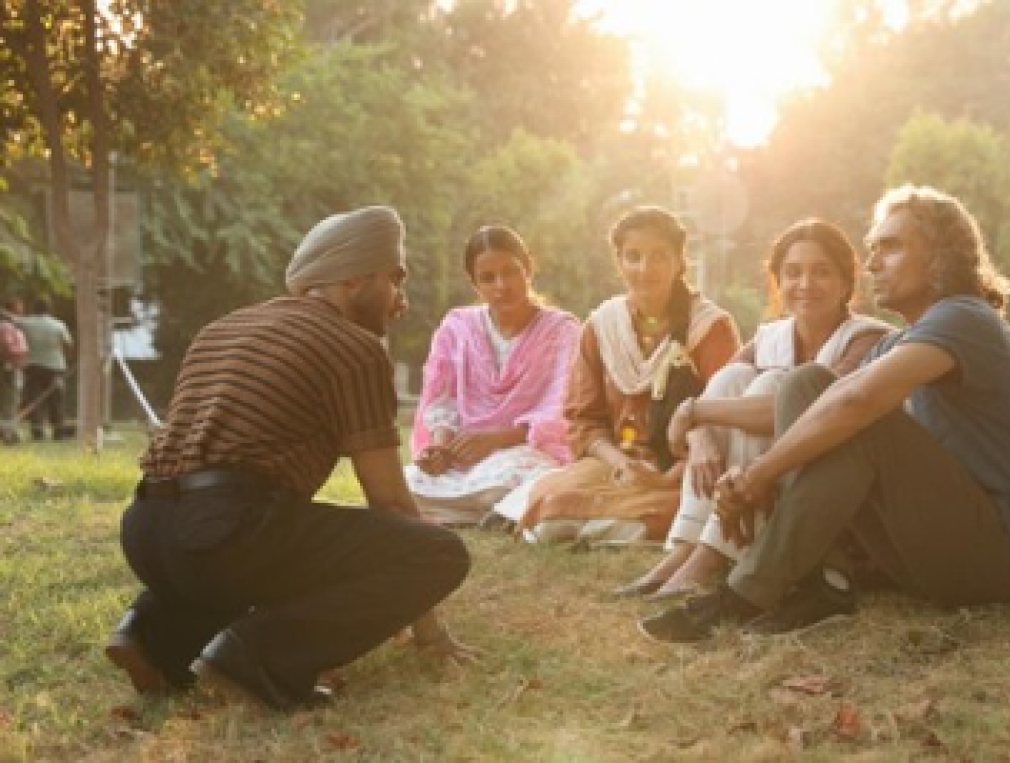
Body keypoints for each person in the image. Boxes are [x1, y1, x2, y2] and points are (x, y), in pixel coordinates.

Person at [640, 185, 1010, 643]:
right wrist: (710, 430)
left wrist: (757, 475)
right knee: (805, 384)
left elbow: (856, 404)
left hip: (1000, 560)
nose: (873, 263)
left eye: (892, 246)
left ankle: (744, 594)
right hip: (930, 550)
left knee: (858, 415)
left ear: (940, 256)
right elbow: (822, 404)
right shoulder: (901, 341)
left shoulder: (965, 318)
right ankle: (827, 581)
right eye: (873, 248)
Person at [105, 206, 472, 711]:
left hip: (145, 530)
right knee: (438, 551)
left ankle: (155, 634)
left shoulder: (223, 328)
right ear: (354, 279)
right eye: (395, 279)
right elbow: (389, 501)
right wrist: (427, 624)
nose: (401, 301)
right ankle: (260, 658)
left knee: (264, 551)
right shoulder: (354, 348)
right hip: (224, 535)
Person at [615, 219, 891, 599]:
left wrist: (694, 413)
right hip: (762, 485)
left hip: (829, 491)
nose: (805, 283)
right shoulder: (771, 336)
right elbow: (714, 396)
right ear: (777, 282)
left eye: (821, 272)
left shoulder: (867, 338)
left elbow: (806, 413)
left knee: (771, 384)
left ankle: (712, 555)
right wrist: (701, 437)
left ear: (846, 283)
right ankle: (687, 549)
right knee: (734, 378)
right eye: (792, 273)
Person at [516, 206, 740, 545]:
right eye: (633, 257)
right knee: (550, 502)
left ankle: (616, 526)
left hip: (683, 470)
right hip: (616, 466)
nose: (645, 269)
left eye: (659, 256)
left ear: (679, 262)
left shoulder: (710, 327)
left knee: (678, 506)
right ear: (619, 262)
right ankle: (607, 525)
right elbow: (584, 420)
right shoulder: (603, 325)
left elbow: (725, 419)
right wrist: (621, 463)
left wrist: (669, 475)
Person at [405, 225, 580, 527]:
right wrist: (440, 447)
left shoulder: (562, 330)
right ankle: (501, 512)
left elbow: (565, 408)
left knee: (518, 478)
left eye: (510, 272)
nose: (501, 285)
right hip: (465, 459)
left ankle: (481, 509)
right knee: (407, 482)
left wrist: (498, 438)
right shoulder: (457, 327)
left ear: (528, 268)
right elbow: (442, 400)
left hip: (528, 452)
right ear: (474, 283)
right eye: (488, 278)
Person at [16, 297, 73, 441]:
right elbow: (69, 344)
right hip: (55, 366)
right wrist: (66, 359)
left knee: (35, 399)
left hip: (33, 366)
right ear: (50, 309)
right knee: (56, 399)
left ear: (34, 309)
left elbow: (12, 320)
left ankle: (37, 430)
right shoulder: (59, 324)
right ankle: (58, 430)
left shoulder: (25, 323)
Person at [0, 295, 25, 445]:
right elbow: (7, 346)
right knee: (10, 401)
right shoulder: (7, 326)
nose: (22, 310)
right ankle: (9, 433)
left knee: (11, 400)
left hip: (11, 366)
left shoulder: (12, 325)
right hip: (8, 367)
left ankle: (8, 430)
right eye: (19, 307)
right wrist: (17, 356)